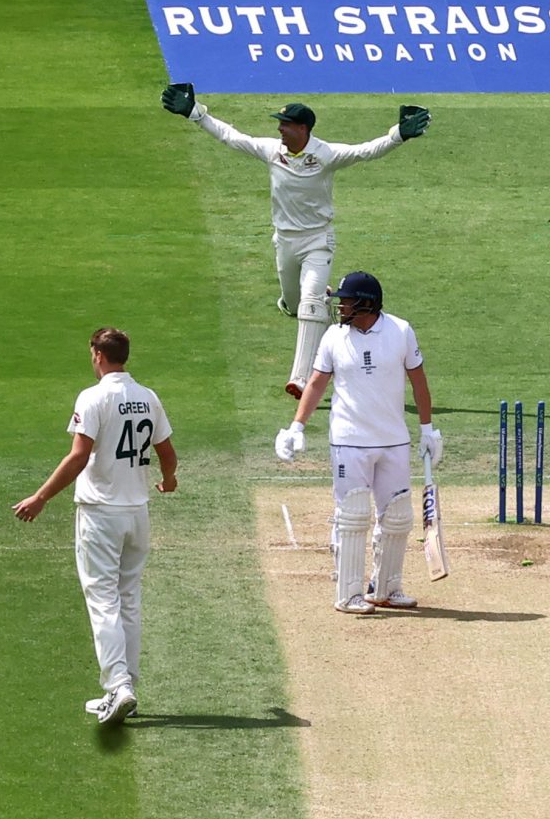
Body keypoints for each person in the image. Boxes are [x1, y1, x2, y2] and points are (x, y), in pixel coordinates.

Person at [161, 84, 427, 397]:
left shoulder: (325, 155)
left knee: (309, 303)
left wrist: (398, 134)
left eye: (285, 125)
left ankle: (301, 379)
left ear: (303, 128)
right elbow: (231, 137)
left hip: (317, 240)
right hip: (285, 241)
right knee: (294, 304)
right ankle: (316, 303)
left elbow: (365, 151)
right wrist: (195, 113)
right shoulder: (272, 151)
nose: (279, 129)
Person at [13, 327, 178, 724]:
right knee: (128, 599)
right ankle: (125, 686)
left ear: (99, 356)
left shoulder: (93, 397)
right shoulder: (148, 396)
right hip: (137, 512)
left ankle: (118, 686)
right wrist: (169, 480)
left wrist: (40, 497)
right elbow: (167, 451)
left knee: (103, 600)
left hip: (101, 514)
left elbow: (78, 457)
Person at [275, 271, 440, 614]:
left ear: (366, 303)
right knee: (353, 516)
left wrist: (428, 429)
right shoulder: (333, 337)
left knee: (397, 517)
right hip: (349, 442)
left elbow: (419, 382)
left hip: (394, 441)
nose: (342, 307)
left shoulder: (400, 331)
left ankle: (386, 588)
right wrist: (296, 427)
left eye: (347, 301)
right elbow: (316, 383)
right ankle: (348, 594)